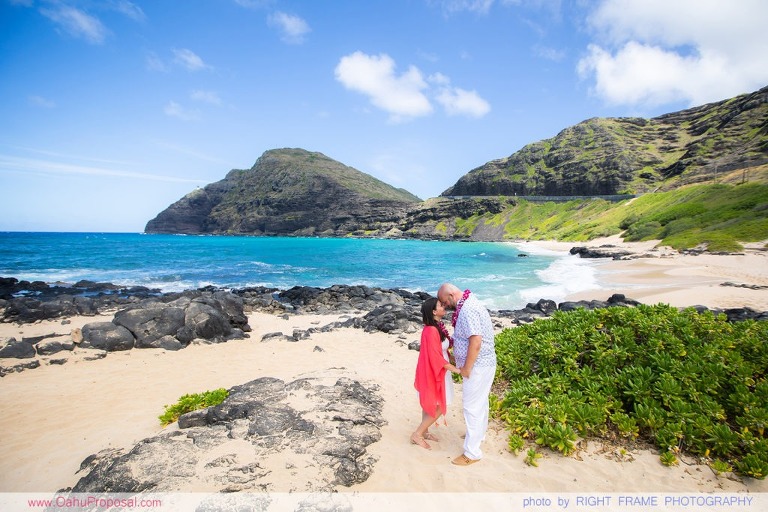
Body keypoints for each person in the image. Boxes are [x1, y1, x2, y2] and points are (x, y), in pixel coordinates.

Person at [437, 282, 496, 466]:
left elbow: (476, 341)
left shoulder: (468, 309)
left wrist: (467, 368)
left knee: (471, 407)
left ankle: (472, 453)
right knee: (481, 403)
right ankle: (479, 435)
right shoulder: (469, 301)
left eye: (444, 303)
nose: (445, 307)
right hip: (484, 364)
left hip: (477, 367)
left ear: (451, 296)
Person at [411, 297, 459, 450]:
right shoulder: (431, 330)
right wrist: (456, 369)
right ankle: (417, 434)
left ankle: (424, 431)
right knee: (438, 405)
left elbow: (441, 350)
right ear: (433, 311)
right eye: (440, 305)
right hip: (435, 370)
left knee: (431, 402)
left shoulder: (435, 327)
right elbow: (434, 356)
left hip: (434, 368)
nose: (443, 306)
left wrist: (451, 357)